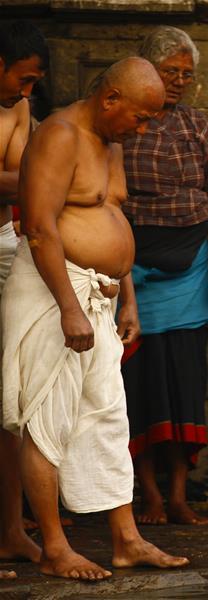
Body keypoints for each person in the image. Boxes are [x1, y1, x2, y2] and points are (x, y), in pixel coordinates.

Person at [3, 56, 189, 580]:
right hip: (54, 293)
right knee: (46, 420)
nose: (144, 128)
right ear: (111, 99)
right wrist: (67, 306)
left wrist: (127, 297)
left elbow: (114, 216)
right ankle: (56, 546)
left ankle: (126, 540)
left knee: (108, 417)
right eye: (141, 117)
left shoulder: (111, 142)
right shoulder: (59, 135)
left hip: (99, 297)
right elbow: (38, 226)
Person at [121, 26, 208, 527]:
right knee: (141, 381)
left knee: (183, 378)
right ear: (146, 70)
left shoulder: (195, 125)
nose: (177, 82)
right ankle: (147, 494)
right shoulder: (126, 122)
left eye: (185, 75)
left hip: (189, 269)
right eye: (169, 72)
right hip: (133, 271)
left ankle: (178, 494)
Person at [0, 19, 47, 580]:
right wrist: (33, 179)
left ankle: (10, 530)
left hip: (8, 242)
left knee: (9, 396)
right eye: (24, 79)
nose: (27, 93)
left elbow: (39, 178)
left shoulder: (20, 109)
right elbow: (38, 177)